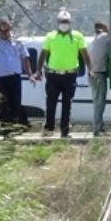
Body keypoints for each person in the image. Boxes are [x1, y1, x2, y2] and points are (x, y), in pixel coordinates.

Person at [34, 9, 92, 138]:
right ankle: (49, 129)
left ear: (70, 22)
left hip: (70, 75)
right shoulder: (50, 36)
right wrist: (38, 70)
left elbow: (85, 54)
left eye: (66, 22)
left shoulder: (78, 36)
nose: (64, 24)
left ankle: (64, 130)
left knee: (67, 103)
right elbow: (43, 54)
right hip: (53, 75)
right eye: (62, 22)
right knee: (51, 102)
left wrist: (90, 69)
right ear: (57, 22)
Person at [0, 17, 35, 129]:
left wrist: (30, 75)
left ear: (10, 29)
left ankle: (17, 125)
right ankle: (5, 126)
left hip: (14, 77)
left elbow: (25, 59)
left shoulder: (18, 43)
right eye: (2, 30)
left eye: (6, 30)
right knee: (2, 103)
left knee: (16, 102)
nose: (4, 33)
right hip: (0, 78)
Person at [88, 21, 111, 137]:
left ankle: (100, 126)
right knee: (99, 102)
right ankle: (98, 128)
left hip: (94, 73)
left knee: (98, 101)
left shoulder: (95, 39)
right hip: (98, 73)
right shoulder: (104, 37)